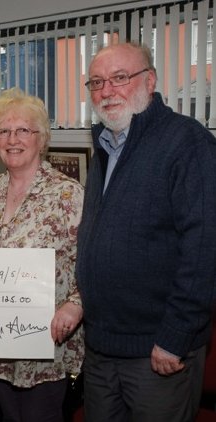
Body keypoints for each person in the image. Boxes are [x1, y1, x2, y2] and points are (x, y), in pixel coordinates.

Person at [76, 42, 216, 422]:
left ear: (149, 80)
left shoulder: (187, 142)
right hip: (102, 348)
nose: (106, 91)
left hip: (158, 353)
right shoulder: (106, 145)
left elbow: (204, 250)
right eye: (97, 82)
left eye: (119, 78)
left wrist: (175, 337)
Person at [0, 87, 85, 422]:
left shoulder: (68, 194)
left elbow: (92, 264)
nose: (12, 139)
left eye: (22, 130)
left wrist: (76, 304)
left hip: (46, 341)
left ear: (41, 137)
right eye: (3, 130)